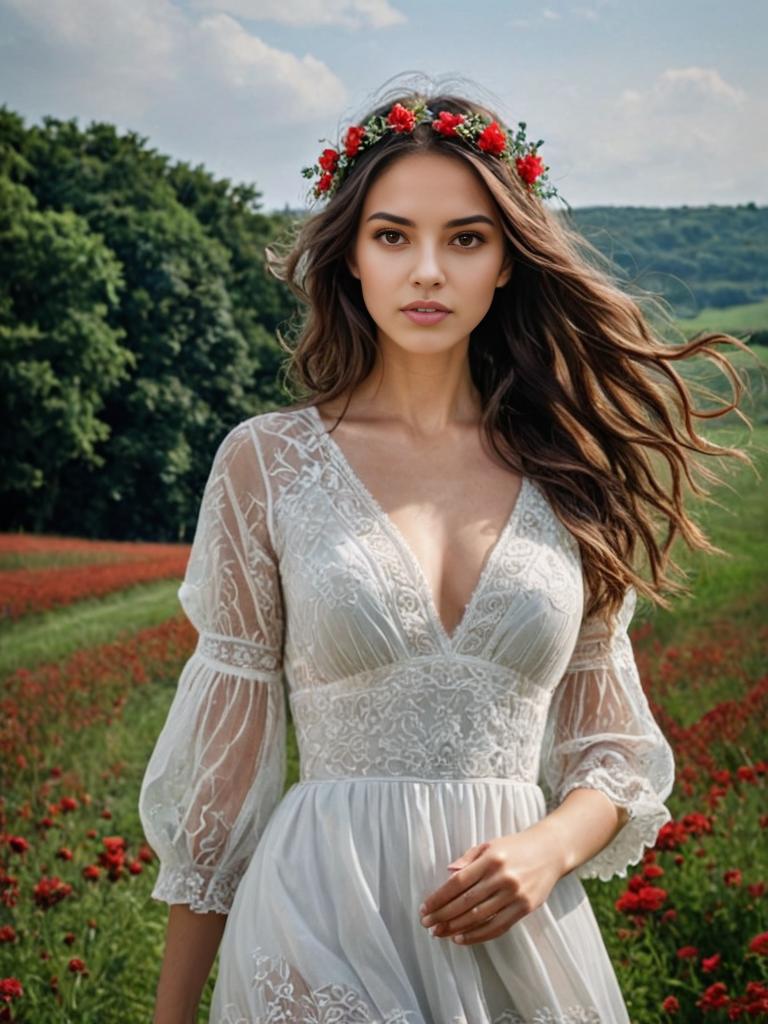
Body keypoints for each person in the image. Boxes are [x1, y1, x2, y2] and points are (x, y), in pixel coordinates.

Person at [138, 73, 754, 1024]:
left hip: (519, 942)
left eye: (465, 238)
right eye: (394, 236)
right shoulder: (266, 462)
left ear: (506, 260)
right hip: (314, 929)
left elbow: (615, 753)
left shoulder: (573, 472)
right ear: (351, 257)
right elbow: (224, 786)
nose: (427, 271)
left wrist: (548, 848)